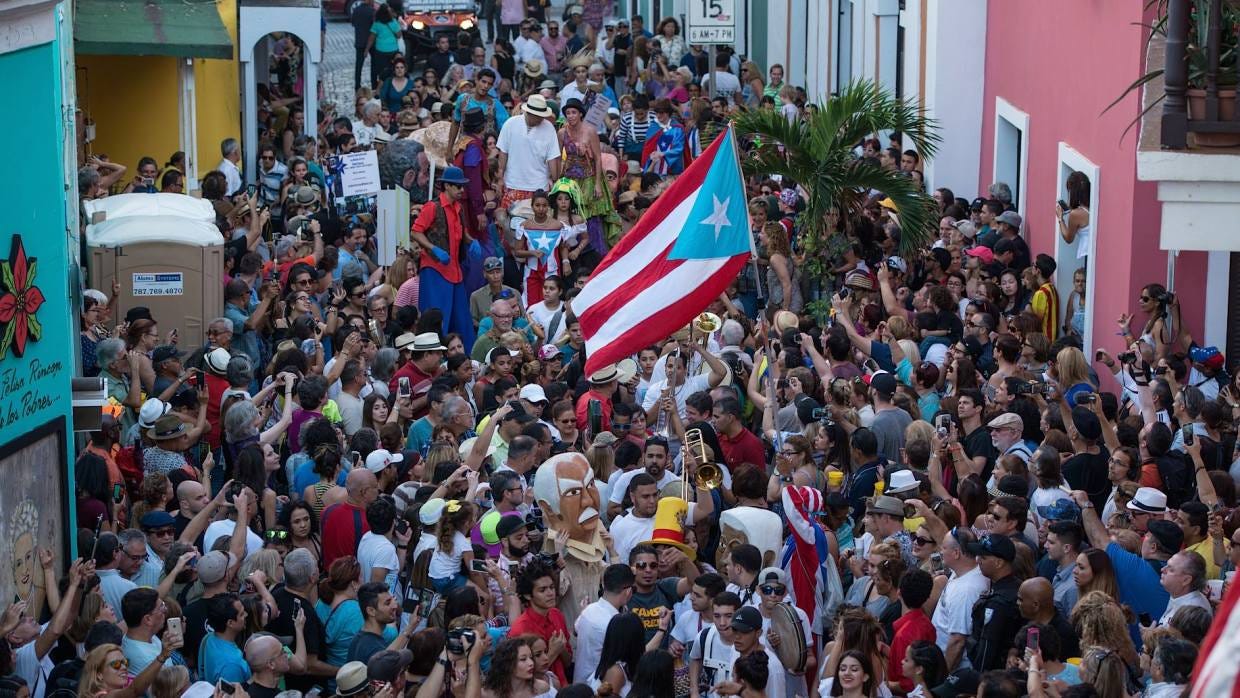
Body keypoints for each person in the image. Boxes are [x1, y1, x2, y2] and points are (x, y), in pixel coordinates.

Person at [411, 166, 478, 349]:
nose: (462, 190)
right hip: (435, 271)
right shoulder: (432, 207)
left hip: (455, 272)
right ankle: (434, 358)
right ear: (447, 186)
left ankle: (466, 359)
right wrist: (434, 249)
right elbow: (416, 232)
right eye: (458, 187)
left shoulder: (458, 208)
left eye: (462, 186)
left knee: (462, 320)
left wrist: (472, 242)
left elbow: (462, 234)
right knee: (437, 320)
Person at [574, 563, 636, 683]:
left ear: (603, 584)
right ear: (628, 591)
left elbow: (575, 630)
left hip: (580, 684)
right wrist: (661, 630)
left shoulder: (589, 609)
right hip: (600, 688)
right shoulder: (616, 624)